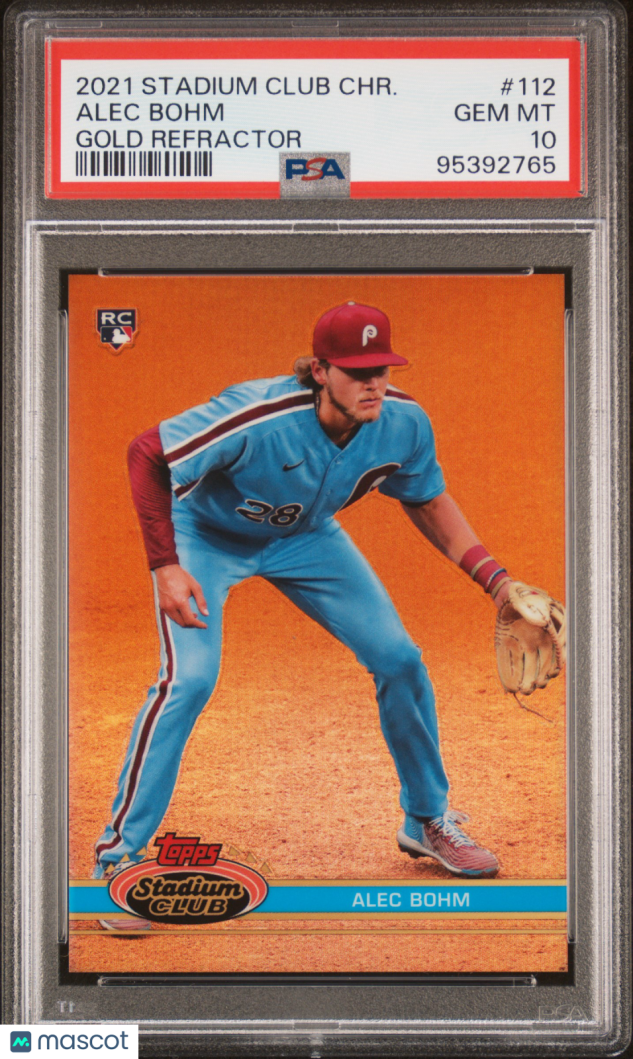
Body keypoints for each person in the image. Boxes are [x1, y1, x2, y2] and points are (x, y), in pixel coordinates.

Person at [94, 301, 513, 900]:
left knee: (400, 659)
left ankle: (426, 819)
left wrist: (497, 582)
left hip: (305, 539)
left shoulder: (402, 422)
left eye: (381, 369)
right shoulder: (258, 415)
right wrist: (165, 564)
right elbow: (146, 452)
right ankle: (119, 858)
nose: (372, 383)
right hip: (204, 537)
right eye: (356, 371)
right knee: (189, 681)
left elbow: (427, 500)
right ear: (320, 371)